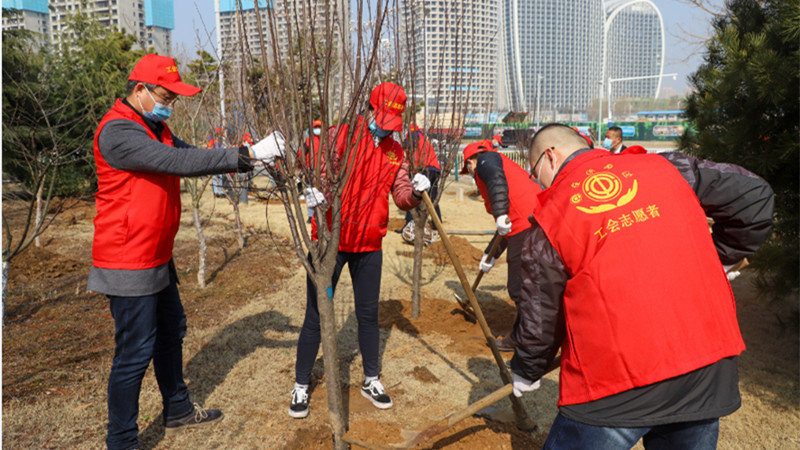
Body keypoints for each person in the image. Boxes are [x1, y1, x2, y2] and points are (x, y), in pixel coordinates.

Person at [513, 123, 775, 448]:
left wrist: (527, 367)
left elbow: (541, 311)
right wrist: (722, 257)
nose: (538, 182)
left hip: (616, 385)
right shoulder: (667, 166)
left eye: (535, 172)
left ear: (550, 157)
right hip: (704, 371)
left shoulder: (551, 215)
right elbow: (753, 195)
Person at [89, 53, 284, 450]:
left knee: (171, 330)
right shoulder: (118, 131)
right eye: (166, 97)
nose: (171, 106)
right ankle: (121, 441)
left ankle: (177, 408)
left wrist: (249, 158)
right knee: (134, 352)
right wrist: (246, 154)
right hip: (128, 259)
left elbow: (193, 153)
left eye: (175, 99)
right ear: (140, 90)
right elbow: (177, 161)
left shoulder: (156, 127)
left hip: (157, 254)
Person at [289, 82, 431, 419]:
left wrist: (415, 193)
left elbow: (400, 195)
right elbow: (320, 173)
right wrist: (315, 191)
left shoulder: (396, 152)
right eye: (382, 120)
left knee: (368, 315)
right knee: (316, 315)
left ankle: (371, 379)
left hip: (369, 246)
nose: (386, 129)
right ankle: (300, 384)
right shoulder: (341, 137)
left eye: (392, 125)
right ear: (369, 109)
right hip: (331, 245)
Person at [459, 139, 541, 351]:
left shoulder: (487, 160)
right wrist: (491, 255)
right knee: (534, 284)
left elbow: (495, 178)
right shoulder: (502, 167)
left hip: (527, 227)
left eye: (469, 170)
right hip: (532, 222)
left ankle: (523, 339)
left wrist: (500, 213)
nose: (472, 176)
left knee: (519, 286)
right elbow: (506, 227)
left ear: (470, 162)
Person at [401, 123, 442, 245]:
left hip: (425, 168)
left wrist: (402, 146)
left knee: (414, 196)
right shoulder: (423, 139)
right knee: (433, 198)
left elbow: (408, 143)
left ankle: (410, 224)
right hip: (434, 169)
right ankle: (437, 224)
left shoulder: (415, 135)